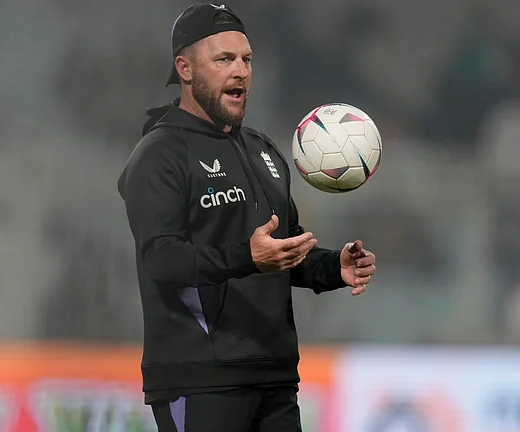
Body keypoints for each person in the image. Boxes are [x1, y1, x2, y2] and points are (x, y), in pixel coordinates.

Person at [117, 3, 377, 431]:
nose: (240, 71)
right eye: (224, 59)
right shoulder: (159, 155)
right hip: (201, 378)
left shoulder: (264, 150)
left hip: (274, 377)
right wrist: (247, 257)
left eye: (246, 59)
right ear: (185, 67)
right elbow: (160, 260)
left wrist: (334, 267)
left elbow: (283, 250)